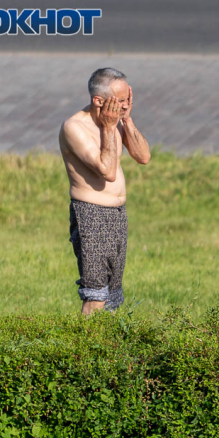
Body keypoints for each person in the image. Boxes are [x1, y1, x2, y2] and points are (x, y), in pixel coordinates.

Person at [59, 68, 150, 315]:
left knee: (112, 295)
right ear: (99, 100)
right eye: (120, 101)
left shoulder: (117, 120)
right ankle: (85, 348)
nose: (124, 105)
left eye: (126, 100)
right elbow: (107, 171)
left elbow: (143, 156)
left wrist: (127, 120)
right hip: (91, 214)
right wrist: (110, 128)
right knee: (96, 293)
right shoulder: (74, 127)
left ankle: (107, 349)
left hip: (117, 214)